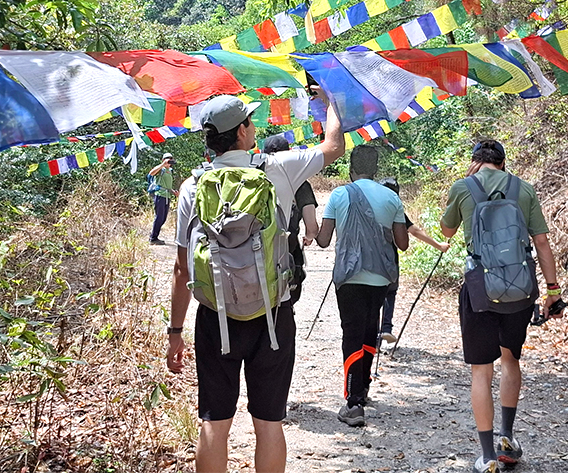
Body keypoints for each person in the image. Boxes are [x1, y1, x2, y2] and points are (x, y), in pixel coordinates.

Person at [167, 93, 344, 473]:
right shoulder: (278, 168)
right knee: (269, 423)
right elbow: (334, 145)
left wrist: (175, 331)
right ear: (243, 131)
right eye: (250, 121)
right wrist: (330, 97)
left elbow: (183, 269)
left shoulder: (192, 186)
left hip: (215, 316)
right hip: (273, 315)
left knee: (213, 423)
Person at [440, 140, 562, 473]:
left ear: (475, 162)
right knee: (511, 359)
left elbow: (446, 229)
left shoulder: (463, 187)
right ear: (503, 163)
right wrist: (553, 290)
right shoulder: (523, 189)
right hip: (520, 290)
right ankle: (507, 438)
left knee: (481, 371)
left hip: (480, 290)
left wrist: (464, 187)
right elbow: (541, 241)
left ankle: (486, 455)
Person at [315, 145, 409, 427]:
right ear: (376, 170)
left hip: (349, 278)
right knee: (370, 329)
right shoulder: (391, 197)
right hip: (380, 278)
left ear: (350, 170)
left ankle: (353, 401)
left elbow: (323, 240)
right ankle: (363, 388)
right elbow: (402, 243)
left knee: (351, 334)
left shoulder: (340, 195)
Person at [376, 178, 450, 347]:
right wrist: (438, 245)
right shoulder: (396, 210)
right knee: (390, 292)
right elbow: (414, 231)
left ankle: (373, 334)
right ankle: (385, 327)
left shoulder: (370, 206)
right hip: (390, 260)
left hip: (367, 259)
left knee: (373, 295)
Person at [262, 134, 320, 305]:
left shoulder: (256, 178)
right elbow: (312, 228)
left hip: (259, 249)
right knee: (286, 304)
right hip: (289, 249)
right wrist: (309, 238)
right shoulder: (301, 184)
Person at [147, 153, 176, 244]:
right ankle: (153, 238)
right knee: (159, 217)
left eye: (170, 160)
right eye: (167, 159)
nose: (169, 161)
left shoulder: (170, 171)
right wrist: (163, 164)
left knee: (163, 218)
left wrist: (173, 192)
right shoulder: (161, 169)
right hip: (160, 195)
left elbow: (167, 185)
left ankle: (155, 236)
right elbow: (151, 173)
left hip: (167, 196)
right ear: (163, 160)